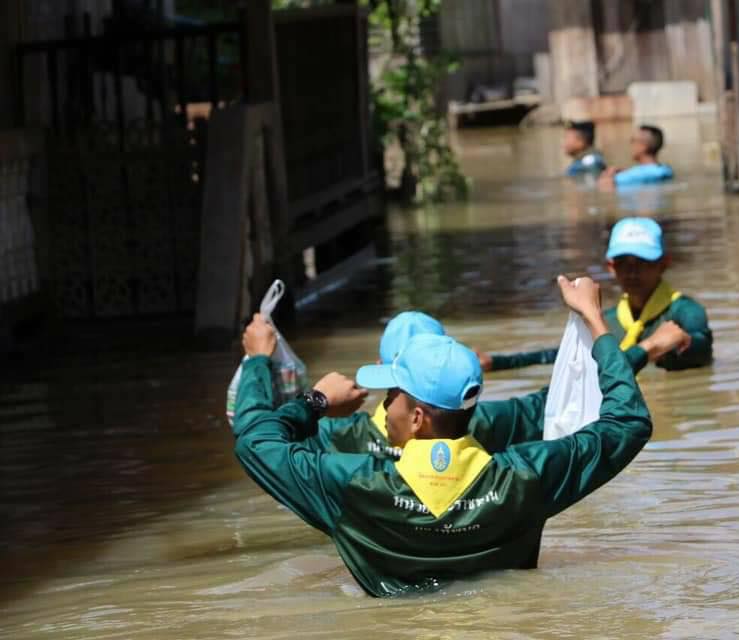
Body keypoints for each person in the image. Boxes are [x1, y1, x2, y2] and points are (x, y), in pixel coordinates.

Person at [231, 276, 652, 597]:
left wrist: (309, 398)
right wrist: (596, 323)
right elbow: (626, 423)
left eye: (392, 394)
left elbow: (255, 439)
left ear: (416, 418)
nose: (385, 403)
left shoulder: (354, 485)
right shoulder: (526, 476)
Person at [238, 310, 550, 460]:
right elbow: (557, 403)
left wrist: (259, 362)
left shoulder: (337, 438)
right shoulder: (488, 423)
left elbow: (257, 436)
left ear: (380, 369)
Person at [477, 217, 712, 373]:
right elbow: (561, 357)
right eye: (623, 263)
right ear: (610, 267)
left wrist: (685, 345)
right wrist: (497, 363)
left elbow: (703, 346)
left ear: (664, 263)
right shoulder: (606, 320)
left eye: (643, 262)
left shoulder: (685, 312)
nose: (632, 272)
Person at [598, 124, 673, 189]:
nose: (630, 144)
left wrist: (608, 174)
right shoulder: (666, 170)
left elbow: (605, 184)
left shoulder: (626, 177)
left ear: (643, 146)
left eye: (632, 140)